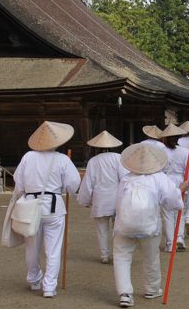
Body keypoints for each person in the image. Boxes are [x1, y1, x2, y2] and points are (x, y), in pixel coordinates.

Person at [112, 143, 187, 308]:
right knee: (151, 257)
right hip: (149, 225)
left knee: (122, 257)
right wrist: (181, 190)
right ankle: (152, 289)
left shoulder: (126, 178)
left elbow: (118, 203)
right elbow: (172, 201)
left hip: (124, 225)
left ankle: (125, 293)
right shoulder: (159, 177)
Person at [13, 121, 81, 298]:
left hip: (31, 206)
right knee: (53, 248)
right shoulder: (63, 160)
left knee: (32, 247)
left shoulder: (28, 157)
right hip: (54, 207)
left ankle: (35, 279)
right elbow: (73, 185)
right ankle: (49, 286)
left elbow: (18, 184)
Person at [77, 131, 127, 264]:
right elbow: (124, 179)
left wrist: (86, 200)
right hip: (117, 197)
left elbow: (88, 182)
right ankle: (118, 253)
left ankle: (104, 255)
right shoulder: (118, 158)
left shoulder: (93, 161)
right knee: (118, 228)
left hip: (100, 199)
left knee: (102, 228)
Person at [160, 124, 189, 252]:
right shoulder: (184, 151)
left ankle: (171, 243)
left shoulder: (161, 151)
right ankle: (179, 238)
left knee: (168, 214)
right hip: (180, 182)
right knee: (179, 212)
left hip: (165, 182)